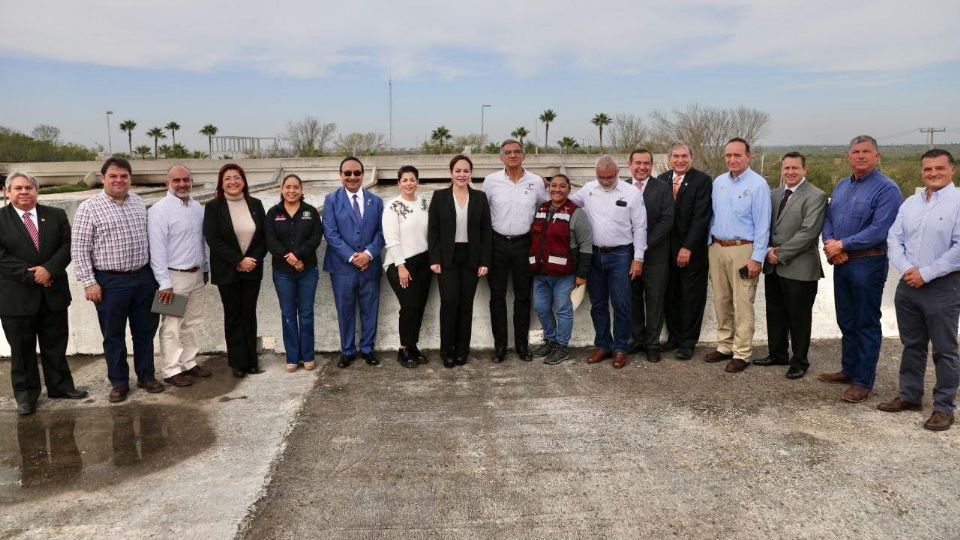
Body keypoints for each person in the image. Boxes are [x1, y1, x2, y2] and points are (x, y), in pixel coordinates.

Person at [880, 149, 960, 431]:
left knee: (944, 350)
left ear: (952, 170)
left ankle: (944, 407)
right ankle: (910, 395)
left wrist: (926, 273)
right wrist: (906, 269)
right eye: (928, 169)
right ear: (921, 172)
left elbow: (958, 249)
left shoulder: (957, 202)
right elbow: (894, 238)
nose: (933, 173)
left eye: (939, 168)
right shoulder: (911, 203)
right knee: (912, 344)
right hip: (908, 284)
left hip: (942, 286)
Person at [819, 135, 902, 403]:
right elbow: (828, 219)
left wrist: (843, 244)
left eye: (867, 151)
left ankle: (863, 381)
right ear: (849, 156)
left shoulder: (887, 189)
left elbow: (880, 229)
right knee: (847, 319)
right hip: (842, 262)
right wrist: (832, 244)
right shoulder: (842, 185)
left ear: (877, 156)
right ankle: (849, 369)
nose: (861, 155)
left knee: (866, 321)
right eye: (856, 151)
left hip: (869, 263)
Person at [72, 157, 162, 402]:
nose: (119, 180)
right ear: (103, 178)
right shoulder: (89, 208)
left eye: (124, 176)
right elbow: (79, 249)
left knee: (145, 331)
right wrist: (90, 282)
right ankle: (119, 382)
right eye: (113, 176)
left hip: (143, 278)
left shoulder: (138, 203)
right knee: (113, 335)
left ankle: (146, 376)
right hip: (110, 282)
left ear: (130, 178)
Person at [0, 172, 87, 415]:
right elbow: (2, 258)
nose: (24, 192)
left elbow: (69, 246)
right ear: (7, 192)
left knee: (56, 345)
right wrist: (33, 275)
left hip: (53, 293)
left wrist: (49, 269)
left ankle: (60, 386)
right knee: (22, 349)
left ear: (36, 190)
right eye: (18, 188)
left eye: (29, 187)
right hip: (16, 299)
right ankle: (26, 395)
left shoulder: (56, 215)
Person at [570, 155, 647, 369]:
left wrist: (638, 258)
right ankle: (603, 345)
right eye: (601, 177)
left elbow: (640, 227)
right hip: (593, 255)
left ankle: (620, 348)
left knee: (622, 303)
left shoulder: (632, 193)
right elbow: (568, 205)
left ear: (618, 172)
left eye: (610, 177)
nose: (605, 181)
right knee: (598, 303)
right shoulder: (588, 189)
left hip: (621, 255)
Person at [756, 152, 827, 379]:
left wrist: (780, 253)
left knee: (799, 316)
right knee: (775, 312)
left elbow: (809, 232)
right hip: (773, 264)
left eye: (795, 168)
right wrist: (767, 250)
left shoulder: (816, 196)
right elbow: (763, 225)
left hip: (800, 266)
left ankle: (799, 361)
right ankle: (777, 354)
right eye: (786, 168)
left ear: (805, 169)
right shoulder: (774, 194)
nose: (790, 172)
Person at [704, 138, 771, 373]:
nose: (732, 160)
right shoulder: (719, 182)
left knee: (742, 302)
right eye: (728, 156)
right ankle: (724, 345)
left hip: (744, 249)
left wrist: (757, 258)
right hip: (717, 248)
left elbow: (763, 225)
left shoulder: (758, 185)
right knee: (721, 300)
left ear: (748, 156)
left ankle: (742, 352)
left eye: (737, 155)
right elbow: (712, 216)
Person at [482, 139, 548, 362]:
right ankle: (500, 346)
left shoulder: (536, 182)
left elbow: (544, 209)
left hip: (524, 244)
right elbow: (483, 214)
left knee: (523, 297)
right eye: (508, 153)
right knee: (497, 297)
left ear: (524, 155)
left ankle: (522, 345)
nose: (512, 155)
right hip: (497, 244)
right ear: (501, 157)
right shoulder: (491, 182)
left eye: (517, 152)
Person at [148, 165, 212, 388]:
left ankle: (189, 362)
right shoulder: (159, 210)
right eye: (177, 180)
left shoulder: (197, 208)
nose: (182, 184)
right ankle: (171, 369)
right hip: (173, 278)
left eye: (186, 180)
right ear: (168, 183)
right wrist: (164, 283)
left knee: (193, 322)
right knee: (171, 325)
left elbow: (202, 242)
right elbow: (157, 250)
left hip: (196, 276)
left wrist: (205, 268)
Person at [203, 163, 267, 379]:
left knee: (249, 314)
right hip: (227, 271)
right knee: (233, 316)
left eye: (237, 177)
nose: (233, 182)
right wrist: (238, 260)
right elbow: (213, 239)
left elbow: (263, 238)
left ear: (244, 181)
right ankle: (238, 362)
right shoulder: (213, 207)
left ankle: (252, 360)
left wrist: (252, 260)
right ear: (221, 183)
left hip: (252, 270)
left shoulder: (256, 205)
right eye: (228, 178)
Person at [428, 154, 492, 368]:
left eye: (466, 171)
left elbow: (486, 232)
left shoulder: (480, 198)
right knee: (449, 303)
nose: (462, 174)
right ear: (451, 173)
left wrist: (485, 261)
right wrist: (434, 258)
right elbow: (433, 230)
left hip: (472, 257)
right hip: (447, 257)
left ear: (471, 173)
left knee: (466, 305)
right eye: (458, 171)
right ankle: (447, 351)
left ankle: (462, 350)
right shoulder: (439, 196)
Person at [323, 156, 385, 368]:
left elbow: (381, 233)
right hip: (342, 268)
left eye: (356, 173)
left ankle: (367, 349)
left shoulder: (376, 201)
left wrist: (368, 254)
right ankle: (347, 351)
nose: (352, 177)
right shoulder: (331, 200)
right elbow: (331, 234)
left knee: (370, 309)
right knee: (345, 310)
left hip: (370, 266)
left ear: (363, 175)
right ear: (341, 175)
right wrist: (352, 257)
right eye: (347, 173)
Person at [529, 173, 592, 365]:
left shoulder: (576, 212)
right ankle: (550, 340)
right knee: (540, 307)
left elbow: (586, 245)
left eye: (562, 186)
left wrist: (582, 275)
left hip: (565, 274)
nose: (557, 189)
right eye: (553, 185)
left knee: (563, 310)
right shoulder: (542, 208)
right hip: (541, 273)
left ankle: (562, 346)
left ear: (569, 189)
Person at [658, 143, 713, 360]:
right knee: (669, 295)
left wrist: (687, 246)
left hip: (692, 250)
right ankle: (673, 338)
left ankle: (688, 342)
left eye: (684, 156)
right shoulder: (662, 180)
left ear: (691, 157)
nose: (680, 160)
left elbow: (701, 217)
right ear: (669, 158)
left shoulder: (702, 180)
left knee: (691, 297)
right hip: (665, 251)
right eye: (676, 156)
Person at [265, 174, 323, 373]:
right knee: (288, 315)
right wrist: (288, 257)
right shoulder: (273, 213)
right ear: (281, 189)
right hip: (282, 272)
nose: (291, 191)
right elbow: (270, 240)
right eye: (287, 187)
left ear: (301, 189)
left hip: (308, 270)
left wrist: (298, 256)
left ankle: (307, 355)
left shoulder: (310, 212)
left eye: (295, 187)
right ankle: (292, 356)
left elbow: (316, 237)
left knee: (306, 314)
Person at [626, 149, 674, 362]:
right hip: (627, 256)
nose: (642, 167)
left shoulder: (663, 189)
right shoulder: (622, 187)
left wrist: (643, 246)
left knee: (654, 300)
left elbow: (666, 220)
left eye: (646, 163)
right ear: (630, 164)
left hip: (655, 256)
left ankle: (652, 344)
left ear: (651, 165)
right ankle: (637, 339)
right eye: (638, 163)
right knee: (633, 299)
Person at [382, 165, 432, 368]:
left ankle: (413, 346)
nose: (409, 183)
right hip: (400, 262)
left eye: (412, 180)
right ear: (398, 183)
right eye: (405, 180)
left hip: (424, 261)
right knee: (409, 306)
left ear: (417, 182)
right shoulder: (393, 206)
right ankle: (403, 349)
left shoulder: (425, 204)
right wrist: (401, 266)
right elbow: (391, 238)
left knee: (419, 306)